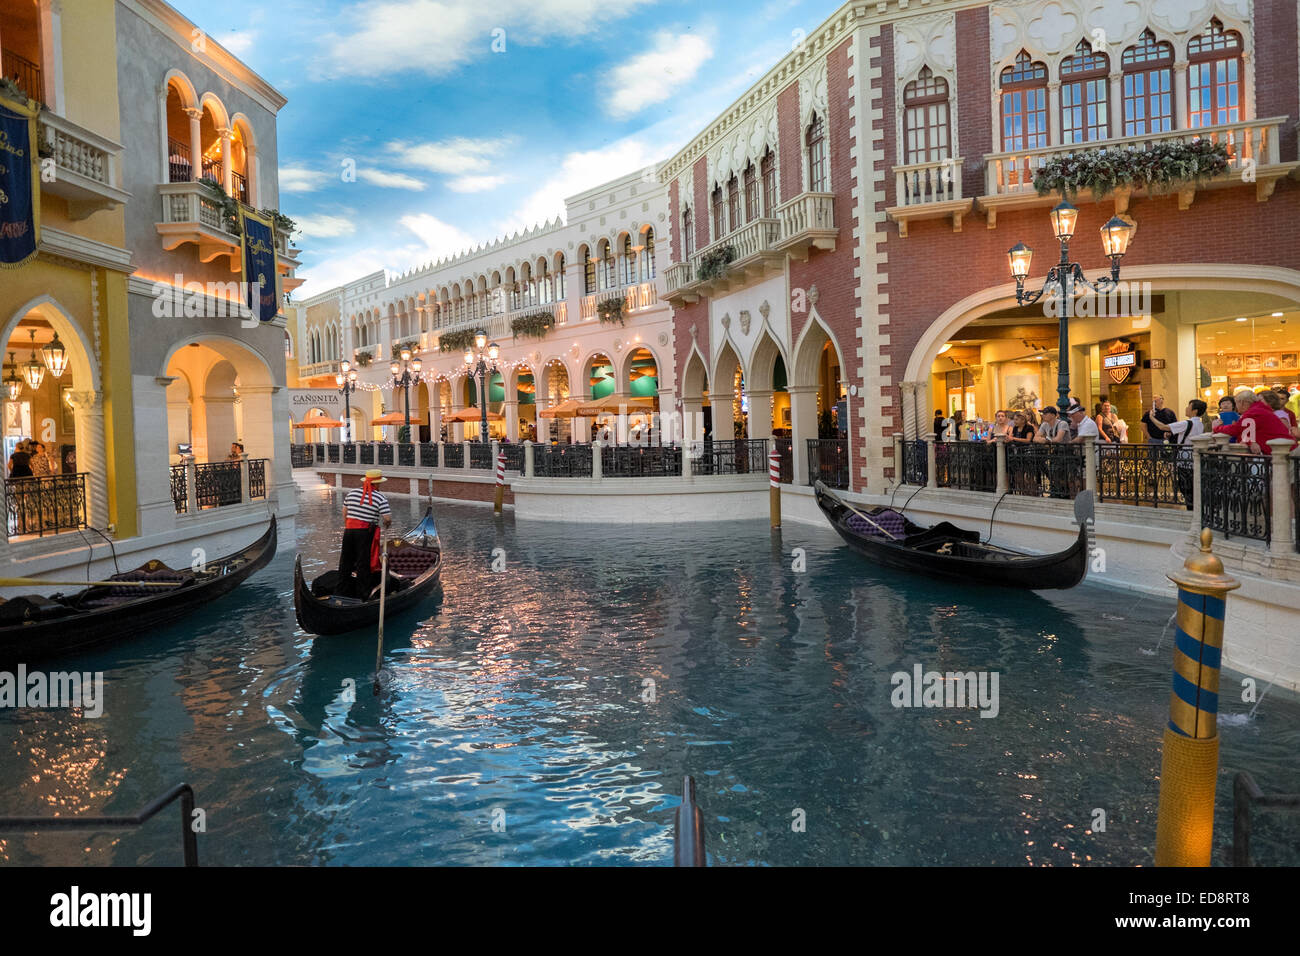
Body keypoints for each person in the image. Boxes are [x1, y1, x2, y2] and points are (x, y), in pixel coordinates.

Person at [338, 468, 392, 599]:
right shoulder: (380, 497)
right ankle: (363, 594)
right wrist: (387, 524)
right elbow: (387, 518)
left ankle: (341, 592)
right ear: (377, 483)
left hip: (349, 531)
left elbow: (344, 512)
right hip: (364, 533)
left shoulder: (352, 493)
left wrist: (349, 526)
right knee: (363, 563)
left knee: (346, 561)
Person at [1214, 389, 1296, 453]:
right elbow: (1245, 432)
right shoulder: (1259, 409)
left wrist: (1217, 428)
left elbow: (1236, 429)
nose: (1236, 407)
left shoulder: (1253, 412)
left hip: (1286, 452)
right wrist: (1250, 442)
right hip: (1284, 450)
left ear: (1242, 402)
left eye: (1236, 403)